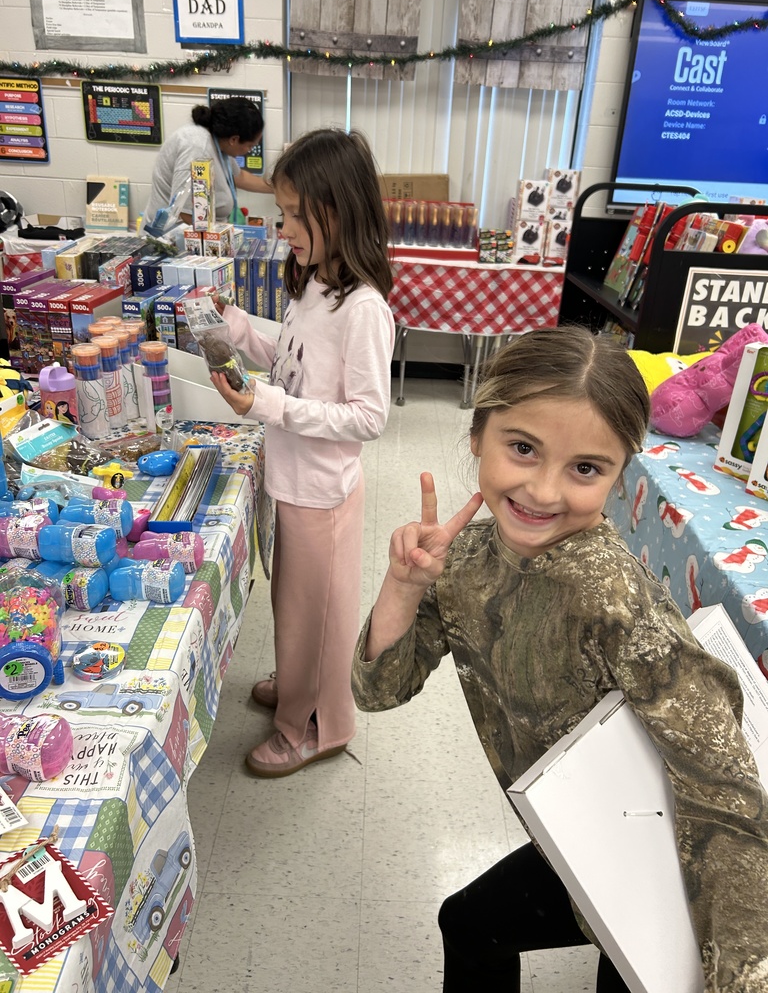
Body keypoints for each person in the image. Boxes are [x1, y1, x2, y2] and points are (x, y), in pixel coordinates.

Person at [351, 326, 768, 993]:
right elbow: (380, 690)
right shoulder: (464, 559)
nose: (543, 492)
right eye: (522, 448)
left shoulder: (615, 604)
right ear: (476, 437)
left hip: (661, 852)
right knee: (482, 926)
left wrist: (740, 976)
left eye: (584, 468)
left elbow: (726, 790)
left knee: (498, 930)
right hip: (579, 835)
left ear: (617, 473)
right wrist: (404, 584)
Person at [210, 127, 396, 778]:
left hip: (322, 490)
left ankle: (313, 726)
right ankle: (297, 683)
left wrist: (266, 405)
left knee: (316, 616)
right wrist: (239, 329)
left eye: (294, 214)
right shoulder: (315, 284)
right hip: (294, 480)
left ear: (338, 213)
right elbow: (291, 360)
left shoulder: (364, 309)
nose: (281, 226)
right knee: (293, 607)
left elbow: (368, 417)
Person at [143, 97, 272, 228]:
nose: (249, 151)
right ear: (234, 139)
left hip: (202, 232)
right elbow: (185, 212)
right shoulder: (198, 149)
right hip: (173, 237)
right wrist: (224, 235)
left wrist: (279, 189)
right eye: (250, 146)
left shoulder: (221, 142)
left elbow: (239, 177)